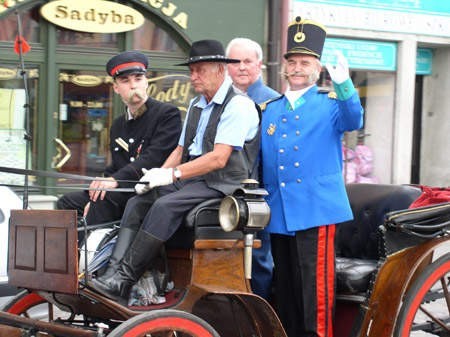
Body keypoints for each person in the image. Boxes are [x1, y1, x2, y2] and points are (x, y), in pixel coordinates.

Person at [89, 39, 261, 304]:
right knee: (138, 201)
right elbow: (181, 150)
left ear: (219, 69)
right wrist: (156, 175)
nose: (193, 76)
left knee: (164, 206)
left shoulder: (239, 105)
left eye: (199, 70)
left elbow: (218, 158)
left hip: (224, 185)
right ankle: (112, 273)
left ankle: (125, 277)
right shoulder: (196, 104)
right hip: (195, 180)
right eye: (191, 70)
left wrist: (171, 176)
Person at [260, 17, 364, 337]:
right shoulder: (269, 108)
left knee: (314, 291)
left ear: (317, 68)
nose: (297, 68)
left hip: (316, 209)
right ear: (284, 68)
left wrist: (344, 85)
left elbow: (354, 119)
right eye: (292, 62)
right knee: (287, 288)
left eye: (304, 62)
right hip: (279, 211)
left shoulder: (330, 104)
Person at [56, 50, 182, 244]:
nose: (133, 85)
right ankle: (67, 260)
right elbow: (117, 165)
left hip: (149, 190)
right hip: (123, 188)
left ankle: (89, 265)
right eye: (125, 80)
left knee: (101, 201)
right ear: (116, 88)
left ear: (146, 82)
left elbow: (153, 158)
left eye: (138, 78)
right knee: (67, 202)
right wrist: (102, 182)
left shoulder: (166, 114)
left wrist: (114, 181)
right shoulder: (118, 125)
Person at [226, 37, 279, 301]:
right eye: (235, 61)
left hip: (259, 194)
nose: (242, 67)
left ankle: (261, 319)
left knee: (258, 259)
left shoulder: (273, 103)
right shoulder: (221, 100)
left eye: (248, 61)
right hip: (225, 193)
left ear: (259, 64)